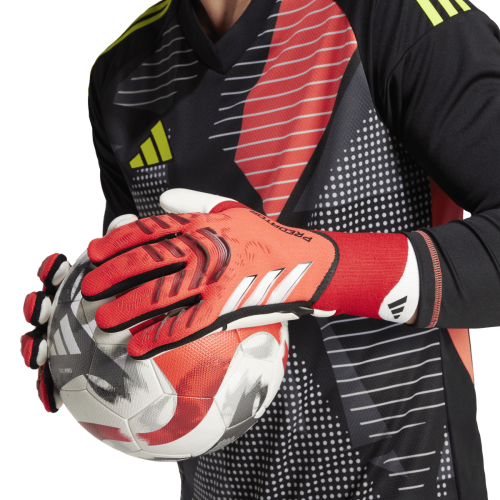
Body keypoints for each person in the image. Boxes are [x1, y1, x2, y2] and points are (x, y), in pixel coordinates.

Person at [20, 0, 500, 498]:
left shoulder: (393, 16)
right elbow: (165, 305)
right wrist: (92, 333)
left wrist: (309, 268)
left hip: (406, 481)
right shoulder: (121, 74)